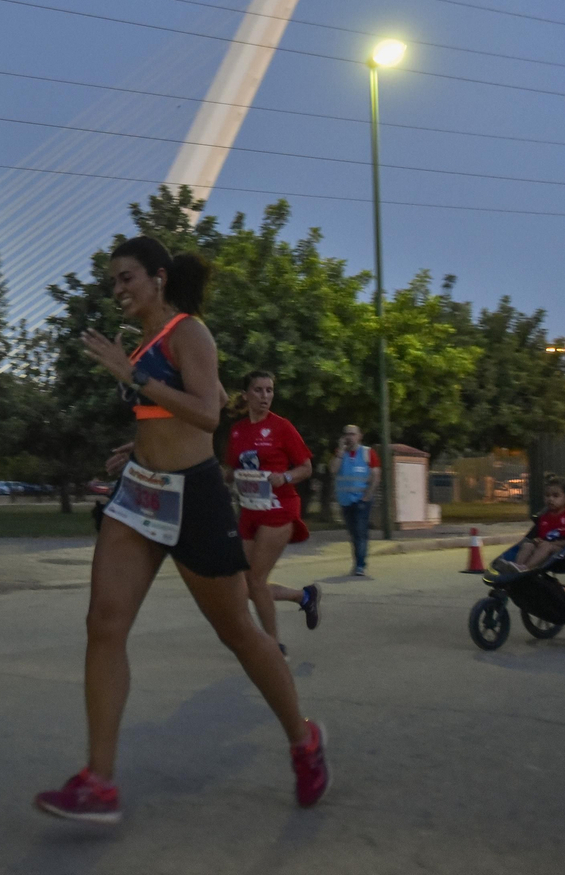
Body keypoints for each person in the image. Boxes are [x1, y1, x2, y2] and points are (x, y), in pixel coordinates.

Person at [33, 237, 329, 824]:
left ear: (159, 278)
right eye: (113, 280)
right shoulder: (152, 342)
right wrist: (141, 439)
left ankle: (304, 738)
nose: (117, 289)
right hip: (140, 491)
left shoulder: (190, 332)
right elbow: (204, 396)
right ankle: (99, 781)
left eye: (126, 278)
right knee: (104, 624)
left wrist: (134, 378)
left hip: (193, 498)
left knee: (239, 631)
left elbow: (210, 413)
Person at [222, 370, 320, 652]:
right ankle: (304, 596)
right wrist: (226, 476)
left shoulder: (282, 427)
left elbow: (306, 467)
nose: (265, 396)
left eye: (269, 390)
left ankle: (272, 645)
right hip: (249, 510)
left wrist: (285, 477)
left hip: (279, 507)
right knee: (245, 585)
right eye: (258, 390)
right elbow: (231, 469)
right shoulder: (238, 430)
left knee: (255, 580)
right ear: (247, 395)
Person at [500, 476, 565, 572]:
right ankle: (517, 566)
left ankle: (526, 568)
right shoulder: (544, 517)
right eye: (547, 495)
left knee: (546, 546)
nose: (550, 499)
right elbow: (542, 536)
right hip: (545, 547)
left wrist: (552, 543)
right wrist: (537, 540)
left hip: (562, 551)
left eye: (555, 496)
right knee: (527, 545)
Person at [331, 425, 380, 577]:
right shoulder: (340, 454)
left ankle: (360, 565)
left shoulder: (367, 453)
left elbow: (376, 475)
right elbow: (333, 470)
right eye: (346, 434)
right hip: (345, 500)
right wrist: (339, 452)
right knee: (353, 534)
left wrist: (367, 495)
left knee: (360, 532)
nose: (349, 437)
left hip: (361, 500)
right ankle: (357, 562)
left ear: (359, 436)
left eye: (352, 434)